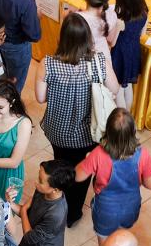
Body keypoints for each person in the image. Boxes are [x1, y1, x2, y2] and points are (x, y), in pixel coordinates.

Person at [36, 12, 119, 227]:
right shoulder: (99, 62)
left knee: (61, 165)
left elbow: (40, 97)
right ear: (87, 38)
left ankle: (56, 200)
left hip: (58, 131)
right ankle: (72, 213)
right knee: (82, 173)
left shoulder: (48, 64)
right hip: (88, 133)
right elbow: (115, 88)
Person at [76, 108, 151, 241]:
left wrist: (88, 158)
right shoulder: (143, 154)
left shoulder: (98, 154)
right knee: (121, 242)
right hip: (130, 208)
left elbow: (78, 176)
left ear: (107, 131)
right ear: (133, 132)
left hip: (105, 211)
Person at [110, 0, 147, 110]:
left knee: (118, 89)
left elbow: (112, 42)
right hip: (134, 53)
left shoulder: (120, 21)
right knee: (128, 86)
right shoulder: (144, 14)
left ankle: (123, 118)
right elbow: (142, 34)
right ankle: (128, 115)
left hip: (120, 55)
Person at [78, 0, 120, 88]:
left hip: (80, 60)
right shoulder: (111, 14)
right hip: (103, 59)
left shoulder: (77, 19)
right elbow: (111, 41)